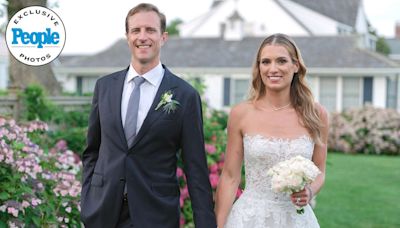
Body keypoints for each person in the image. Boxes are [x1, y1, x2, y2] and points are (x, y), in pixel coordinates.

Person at [80, 3, 217, 228]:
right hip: (103, 213)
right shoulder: (104, 87)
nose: (142, 37)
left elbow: (196, 168)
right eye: (136, 30)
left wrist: (206, 224)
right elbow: (92, 151)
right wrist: (87, 200)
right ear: (127, 37)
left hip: (155, 215)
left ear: (163, 37)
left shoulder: (185, 95)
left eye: (150, 30)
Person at [215, 33, 329, 228]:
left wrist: (309, 192)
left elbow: (319, 171)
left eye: (281, 61)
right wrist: (218, 224)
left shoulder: (316, 114)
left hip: (296, 219)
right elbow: (230, 176)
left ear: (296, 66)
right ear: (259, 68)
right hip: (249, 218)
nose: (273, 69)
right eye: (265, 62)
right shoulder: (241, 113)